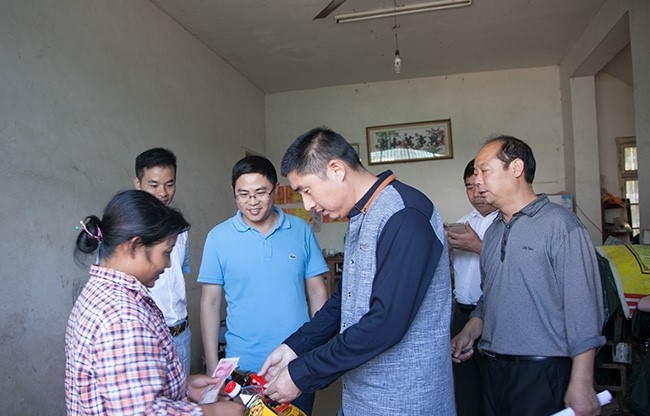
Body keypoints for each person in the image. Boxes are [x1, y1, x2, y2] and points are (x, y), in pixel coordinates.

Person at [259, 128, 455, 415]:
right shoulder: (361, 215)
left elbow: (385, 323)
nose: (308, 205)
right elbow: (344, 300)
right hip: (361, 399)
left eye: (307, 191)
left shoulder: (405, 215)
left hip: (405, 401)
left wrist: (303, 372)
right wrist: (295, 347)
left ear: (336, 170)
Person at [451, 136, 605, 416]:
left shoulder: (561, 225)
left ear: (516, 168)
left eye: (484, 170)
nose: (477, 181)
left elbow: (583, 308)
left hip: (541, 371)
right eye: (474, 173)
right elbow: (489, 297)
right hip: (494, 369)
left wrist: (582, 381)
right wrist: (468, 332)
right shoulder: (494, 232)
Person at [66, 190, 244, 416]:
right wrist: (215, 412)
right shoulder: (123, 319)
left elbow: (126, 390)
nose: (168, 264)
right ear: (134, 246)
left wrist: (182, 387)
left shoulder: (100, 293)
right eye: (166, 252)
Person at [198, 155, 329, 415]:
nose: (252, 201)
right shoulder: (218, 237)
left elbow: (317, 291)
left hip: (296, 362)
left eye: (260, 192)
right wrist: (214, 366)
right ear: (234, 193)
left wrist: (317, 352)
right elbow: (210, 303)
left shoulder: (300, 230)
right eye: (243, 194)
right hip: (243, 367)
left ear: (275, 189)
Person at [133, 148, 192, 376]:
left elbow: (179, 274)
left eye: (170, 184)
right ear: (138, 183)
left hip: (181, 335)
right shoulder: (125, 231)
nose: (163, 192)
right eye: (154, 185)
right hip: (146, 338)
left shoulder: (181, 229)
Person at [445, 159, 498, 416]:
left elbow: (512, 265)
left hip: (493, 315)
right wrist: (445, 250)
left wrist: (477, 246)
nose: (476, 194)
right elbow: (446, 268)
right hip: (462, 313)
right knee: (465, 388)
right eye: (469, 187)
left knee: (494, 387)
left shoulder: (507, 224)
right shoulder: (463, 223)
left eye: (480, 186)